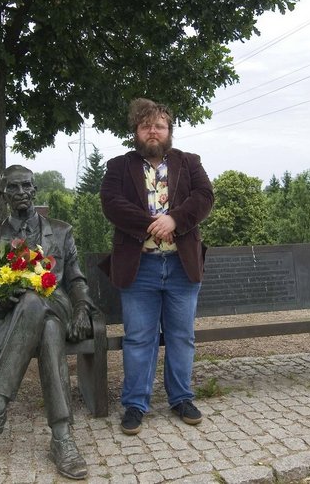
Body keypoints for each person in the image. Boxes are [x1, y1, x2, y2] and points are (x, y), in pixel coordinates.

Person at [0, 165, 95, 480]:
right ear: (2, 194)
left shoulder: (61, 231)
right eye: (13, 187)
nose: (21, 193)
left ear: (34, 189)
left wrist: (82, 308)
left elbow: (76, 279)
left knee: (35, 302)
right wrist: (0, 301)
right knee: (48, 329)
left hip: (57, 304)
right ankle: (62, 438)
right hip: (18, 320)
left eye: (26, 186)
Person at [99, 97, 214, 435]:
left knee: (182, 337)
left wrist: (174, 219)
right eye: (146, 126)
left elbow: (204, 197)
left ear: (169, 131)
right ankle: (135, 404)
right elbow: (112, 204)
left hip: (182, 266)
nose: (153, 131)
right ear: (136, 131)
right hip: (139, 268)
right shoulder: (118, 167)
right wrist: (153, 224)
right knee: (138, 339)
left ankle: (181, 398)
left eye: (159, 126)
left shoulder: (190, 163)